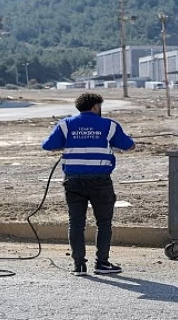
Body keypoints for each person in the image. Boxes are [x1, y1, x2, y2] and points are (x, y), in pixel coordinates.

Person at [42, 92, 135, 276]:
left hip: (73, 181)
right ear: (95, 107)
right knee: (103, 223)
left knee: (76, 224)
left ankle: (79, 266)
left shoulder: (66, 124)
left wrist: (70, 144)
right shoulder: (109, 125)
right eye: (99, 106)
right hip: (100, 182)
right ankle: (101, 263)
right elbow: (129, 146)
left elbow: (48, 145)